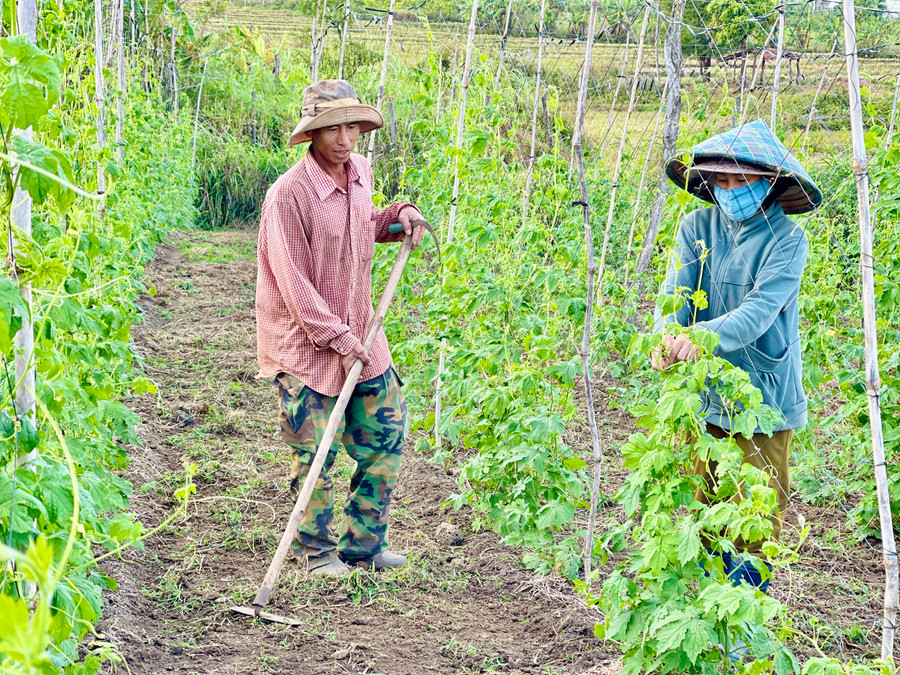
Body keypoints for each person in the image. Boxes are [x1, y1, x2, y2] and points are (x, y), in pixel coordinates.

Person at [255, 79, 426, 576]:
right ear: (312, 133)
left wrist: (399, 217)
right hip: (307, 345)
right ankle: (316, 552)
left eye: (352, 127)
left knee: (386, 433)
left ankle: (363, 547)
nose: (345, 139)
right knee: (315, 454)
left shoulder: (361, 172)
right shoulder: (287, 195)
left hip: (361, 331)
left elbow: (361, 226)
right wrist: (340, 340)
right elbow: (294, 283)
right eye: (333, 128)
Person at [652, 119, 822, 592]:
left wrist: (700, 337)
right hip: (703, 392)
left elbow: (759, 311)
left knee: (754, 516)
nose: (729, 190)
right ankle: (709, 608)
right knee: (705, 505)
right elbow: (675, 294)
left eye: (740, 180)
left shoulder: (788, 240)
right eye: (720, 181)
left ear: (770, 182)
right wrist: (665, 336)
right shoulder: (697, 226)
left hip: (763, 397)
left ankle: (744, 614)